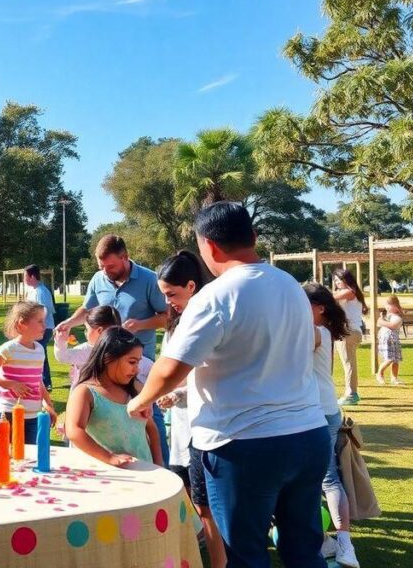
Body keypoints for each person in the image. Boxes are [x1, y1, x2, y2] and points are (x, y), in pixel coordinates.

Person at [129, 202, 329, 568]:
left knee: (245, 555)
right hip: (308, 435)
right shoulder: (291, 287)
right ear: (253, 236)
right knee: (304, 552)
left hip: (243, 445)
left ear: (208, 246)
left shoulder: (216, 295)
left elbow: (172, 367)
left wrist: (139, 399)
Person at [153, 249, 225, 568]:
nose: (167, 301)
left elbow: (194, 372)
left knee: (211, 503)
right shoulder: (175, 323)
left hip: (207, 424)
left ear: (192, 286)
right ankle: (204, 541)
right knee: (193, 492)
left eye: (172, 293)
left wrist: (150, 398)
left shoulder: (205, 318)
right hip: (184, 420)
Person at [303, 284, 361, 568]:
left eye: (304, 305)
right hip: (320, 412)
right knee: (317, 480)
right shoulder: (323, 332)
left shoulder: (318, 333)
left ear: (320, 308)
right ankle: (330, 541)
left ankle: (344, 544)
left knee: (325, 480)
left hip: (318, 414)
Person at [55, 235, 167, 360]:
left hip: (140, 361)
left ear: (125, 257)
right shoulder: (98, 279)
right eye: (101, 267)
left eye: (111, 266)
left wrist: (140, 325)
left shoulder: (150, 279)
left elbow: (169, 317)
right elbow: (87, 310)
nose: (105, 272)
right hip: (107, 359)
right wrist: (69, 323)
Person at [66, 327, 162, 467]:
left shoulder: (136, 390)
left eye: (138, 362)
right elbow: (74, 431)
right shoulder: (85, 393)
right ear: (108, 358)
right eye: (132, 362)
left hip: (144, 472)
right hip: (108, 476)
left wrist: (158, 465)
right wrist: (109, 458)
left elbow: (152, 429)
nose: (137, 369)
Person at [0, 301, 58, 443]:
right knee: (7, 457)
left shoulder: (39, 350)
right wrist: (10, 384)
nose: (44, 326)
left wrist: (48, 404)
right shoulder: (8, 349)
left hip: (33, 416)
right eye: (40, 321)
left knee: (29, 457)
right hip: (8, 414)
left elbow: (37, 380)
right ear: (22, 324)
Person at [54, 305, 123, 386]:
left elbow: (62, 356)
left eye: (87, 329)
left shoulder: (86, 350)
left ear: (99, 330)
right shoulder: (124, 350)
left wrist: (60, 340)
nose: (85, 332)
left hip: (84, 395)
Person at [331, 269, 367, 406]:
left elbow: (330, 297)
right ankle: (351, 392)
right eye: (335, 280)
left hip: (348, 332)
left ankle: (351, 394)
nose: (337, 282)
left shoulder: (349, 291)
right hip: (350, 332)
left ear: (347, 279)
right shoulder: (348, 293)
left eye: (339, 279)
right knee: (349, 363)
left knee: (348, 364)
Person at [23, 264, 57, 390]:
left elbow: (45, 311)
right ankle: (43, 382)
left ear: (32, 276)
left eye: (25, 276)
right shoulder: (33, 291)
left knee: (38, 354)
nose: (24, 279)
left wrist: (38, 327)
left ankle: (45, 383)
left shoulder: (41, 292)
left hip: (44, 329)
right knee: (38, 353)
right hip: (37, 329)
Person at [376, 296, 405, 386]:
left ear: (395, 306)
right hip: (386, 339)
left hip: (393, 339)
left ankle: (394, 378)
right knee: (389, 358)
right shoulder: (386, 316)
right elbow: (379, 323)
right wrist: (381, 320)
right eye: (386, 305)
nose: (387, 307)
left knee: (395, 359)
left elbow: (393, 325)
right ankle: (380, 373)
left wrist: (381, 321)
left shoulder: (397, 317)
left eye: (389, 305)